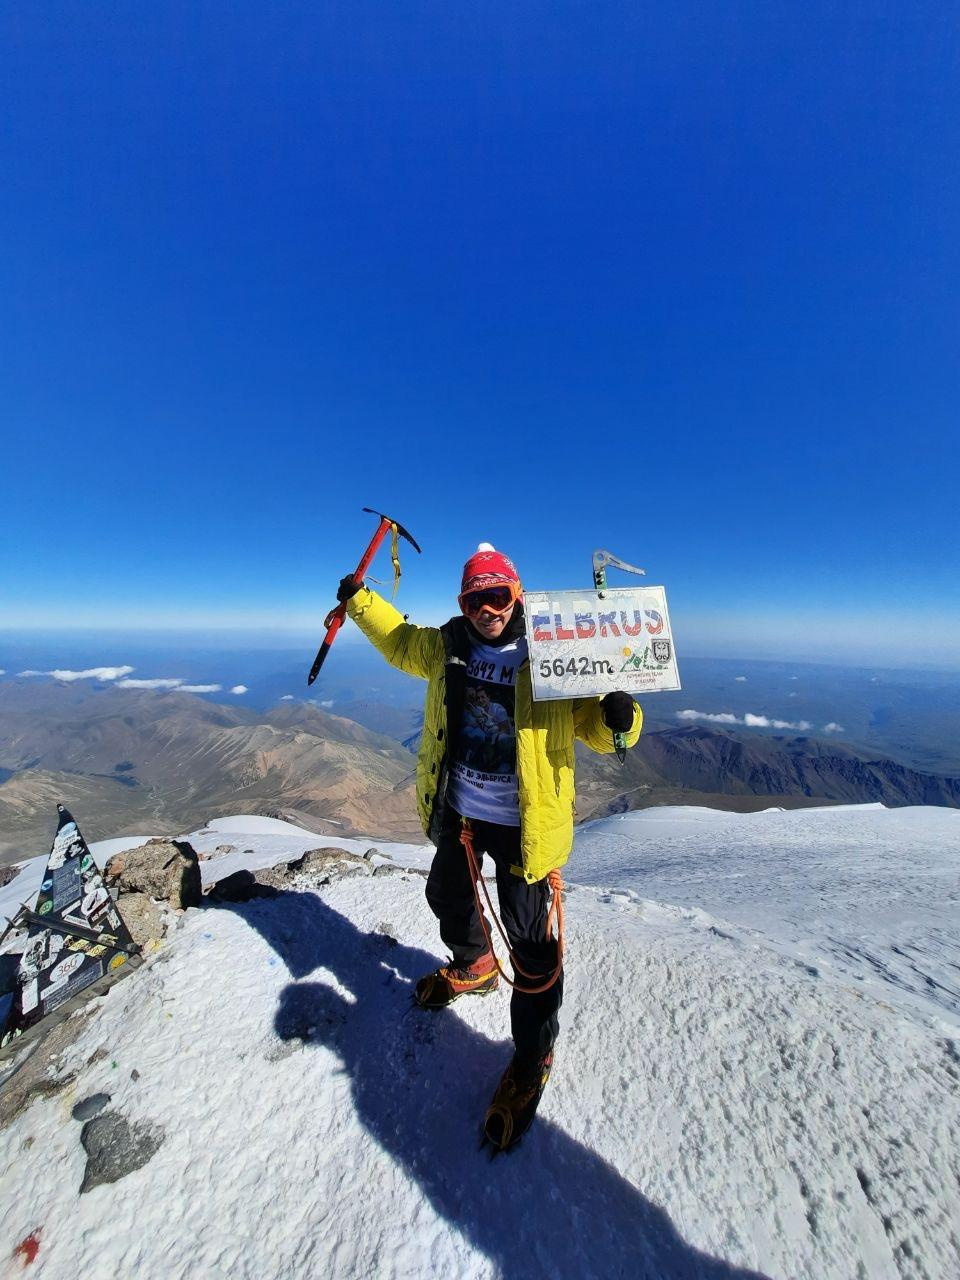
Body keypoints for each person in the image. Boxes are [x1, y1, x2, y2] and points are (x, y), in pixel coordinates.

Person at [337, 543, 642, 1147]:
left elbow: (599, 733)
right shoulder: (448, 645)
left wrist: (619, 718)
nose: (488, 609)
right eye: (477, 598)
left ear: (517, 595)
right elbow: (401, 641)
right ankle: (474, 965)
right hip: (461, 811)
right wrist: (358, 601)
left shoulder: (556, 653)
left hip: (527, 825)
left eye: (498, 596)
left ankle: (532, 1057)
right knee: (446, 892)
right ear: (463, 603)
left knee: (532, 949)